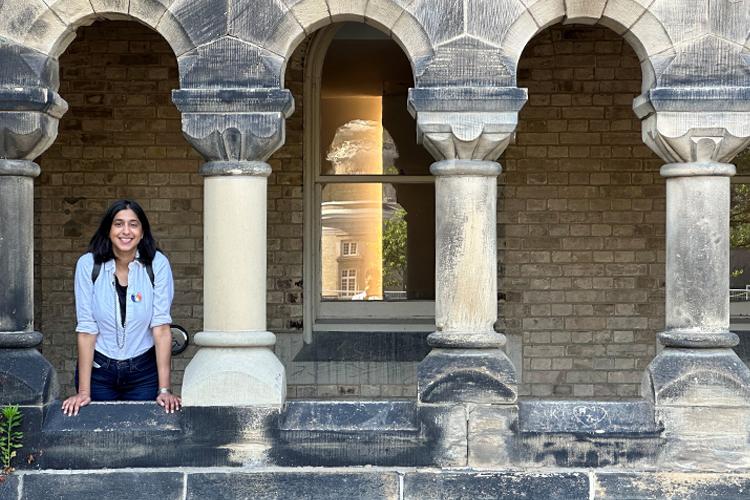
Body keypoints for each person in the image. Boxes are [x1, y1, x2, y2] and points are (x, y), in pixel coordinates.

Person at [61, 199, 181, 415]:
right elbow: (87, 330)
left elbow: (161, 328)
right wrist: (83, 392)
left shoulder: (157, 264)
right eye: (118, 223)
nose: (126, 231)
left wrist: (165, 389)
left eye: (133, 224)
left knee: (143, 438)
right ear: (108, 230)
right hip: (99, 371)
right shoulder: (88, 265)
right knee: (97, 438)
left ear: (143, 232)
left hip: (143, 371)